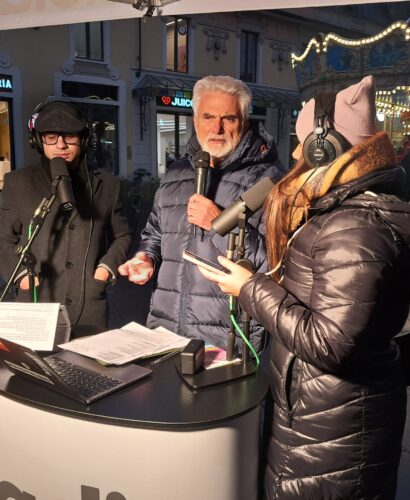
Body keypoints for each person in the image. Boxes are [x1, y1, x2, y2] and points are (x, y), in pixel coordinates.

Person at [195, 75, 410, 499]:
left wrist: (249, 288)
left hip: (332, 422)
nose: (294, 153)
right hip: (328, 413)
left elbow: (331, 344)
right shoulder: (352, 212)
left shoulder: (353, 227)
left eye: (303, 142)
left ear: (325, 146)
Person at [118, 75, 284, 352]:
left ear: (244, 121)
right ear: (195, 120)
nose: (217, 128)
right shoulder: (176, 173)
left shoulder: (267, 181)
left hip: (226, 338)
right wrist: (146, 256)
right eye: (208, 117)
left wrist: (219, 222)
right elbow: (155, 232)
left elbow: (274, 265)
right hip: (165, 329)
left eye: (228, 118)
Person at [0, 101, 132, 330]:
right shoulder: (18, 182)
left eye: (70, 136)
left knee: (86, 367)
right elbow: (3, 238)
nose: (61, 145)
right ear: (38, 140)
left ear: (84, 140)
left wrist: (104, 270)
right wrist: (22, 276)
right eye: (51, 137)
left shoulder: (109, 185)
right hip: (36, 304)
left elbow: (123, 235)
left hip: (89, 310)